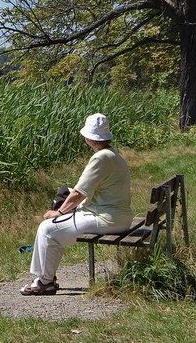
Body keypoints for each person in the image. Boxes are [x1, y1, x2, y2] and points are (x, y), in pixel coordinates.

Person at [20, 113, 132, 295]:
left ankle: (44, 281)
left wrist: (60, 212)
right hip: (119, 216)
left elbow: (79, 193)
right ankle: (46, 278)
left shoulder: (100, 158)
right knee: (52, 228)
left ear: (88, 138)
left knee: (47, 229)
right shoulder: (113, 155)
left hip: (106, 218)